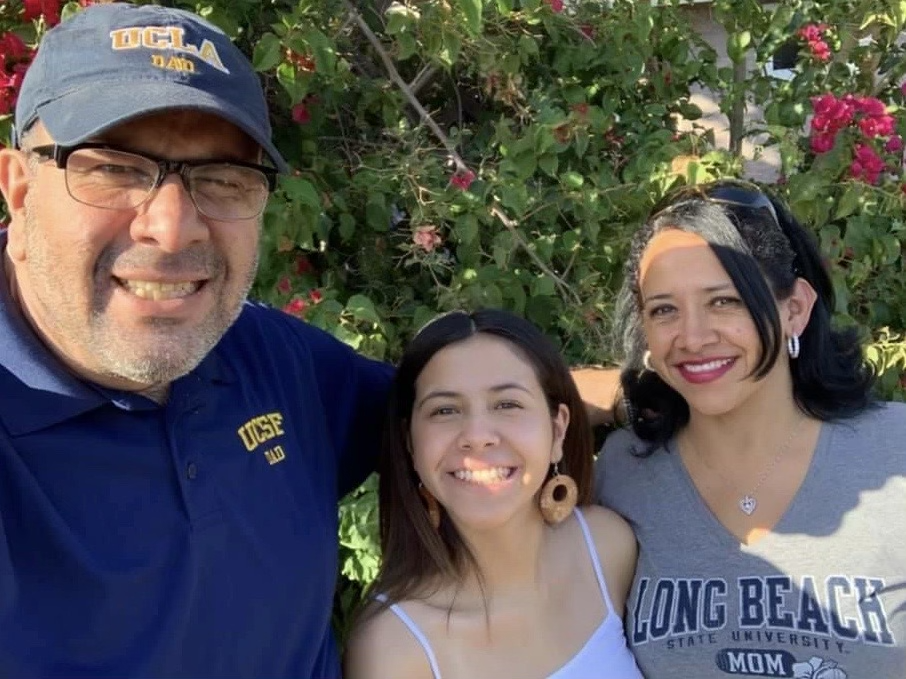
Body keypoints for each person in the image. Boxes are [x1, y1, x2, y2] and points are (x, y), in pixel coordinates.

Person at [0, 4, 623, 677]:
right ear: (19, 185)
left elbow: (459, 410)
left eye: (222, 179)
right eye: (115, 169)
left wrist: (662, 388)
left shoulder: (272, 362)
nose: (173, 227)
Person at [595, 180, 906, 677]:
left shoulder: (895, 453)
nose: (692, 338)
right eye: (664, 310)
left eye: (725, 301)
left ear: (795, 309)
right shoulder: (622, 471)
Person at [344, 309, 642, 679]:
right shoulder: (394, 647)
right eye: (445, 410)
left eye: (507, 404)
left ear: (558, 430)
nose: (477, 435)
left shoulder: (607, 546)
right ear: (410, 445)